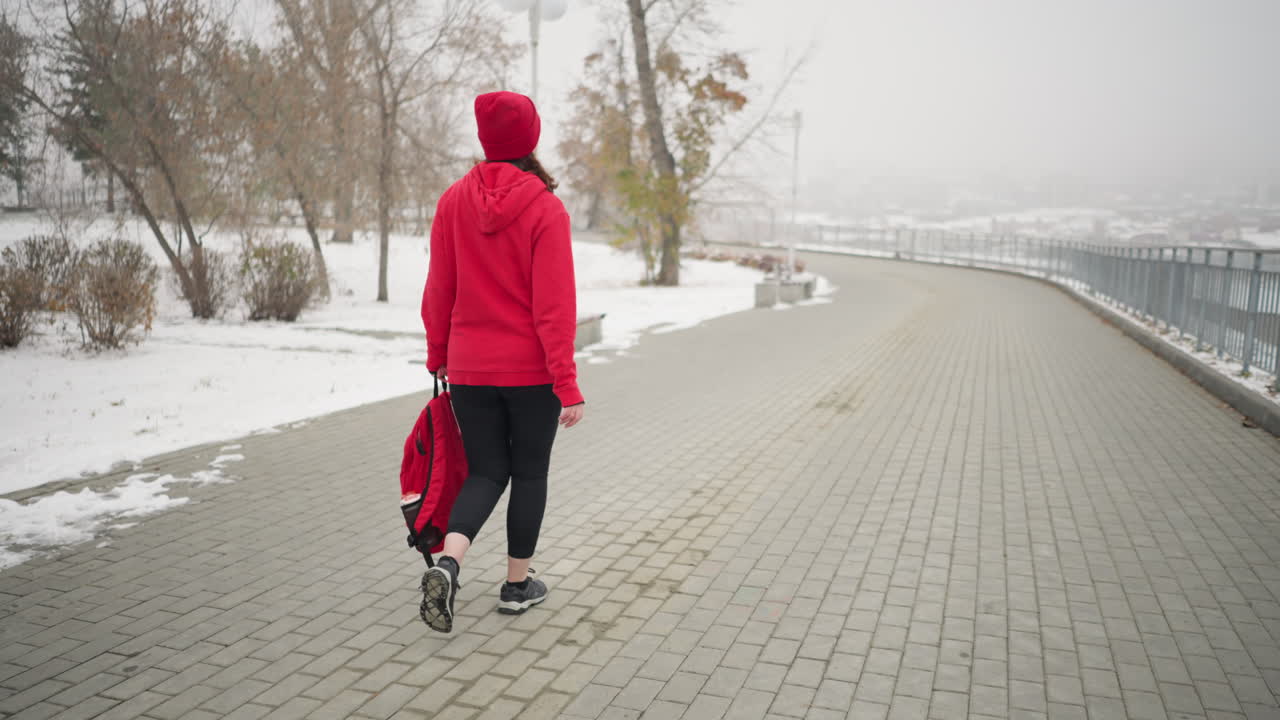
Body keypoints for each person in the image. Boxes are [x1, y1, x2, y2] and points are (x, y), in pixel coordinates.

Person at [418, 91, 585, 634]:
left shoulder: (451, 202)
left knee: (487, 470)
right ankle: (516, 587)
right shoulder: (545, 208)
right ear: (531, 138)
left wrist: (439, 355)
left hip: (468, 369)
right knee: (529, 471)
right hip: (530, 372)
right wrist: (568, 382)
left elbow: (438, 288)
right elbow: (554, 307)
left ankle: (449, 562)